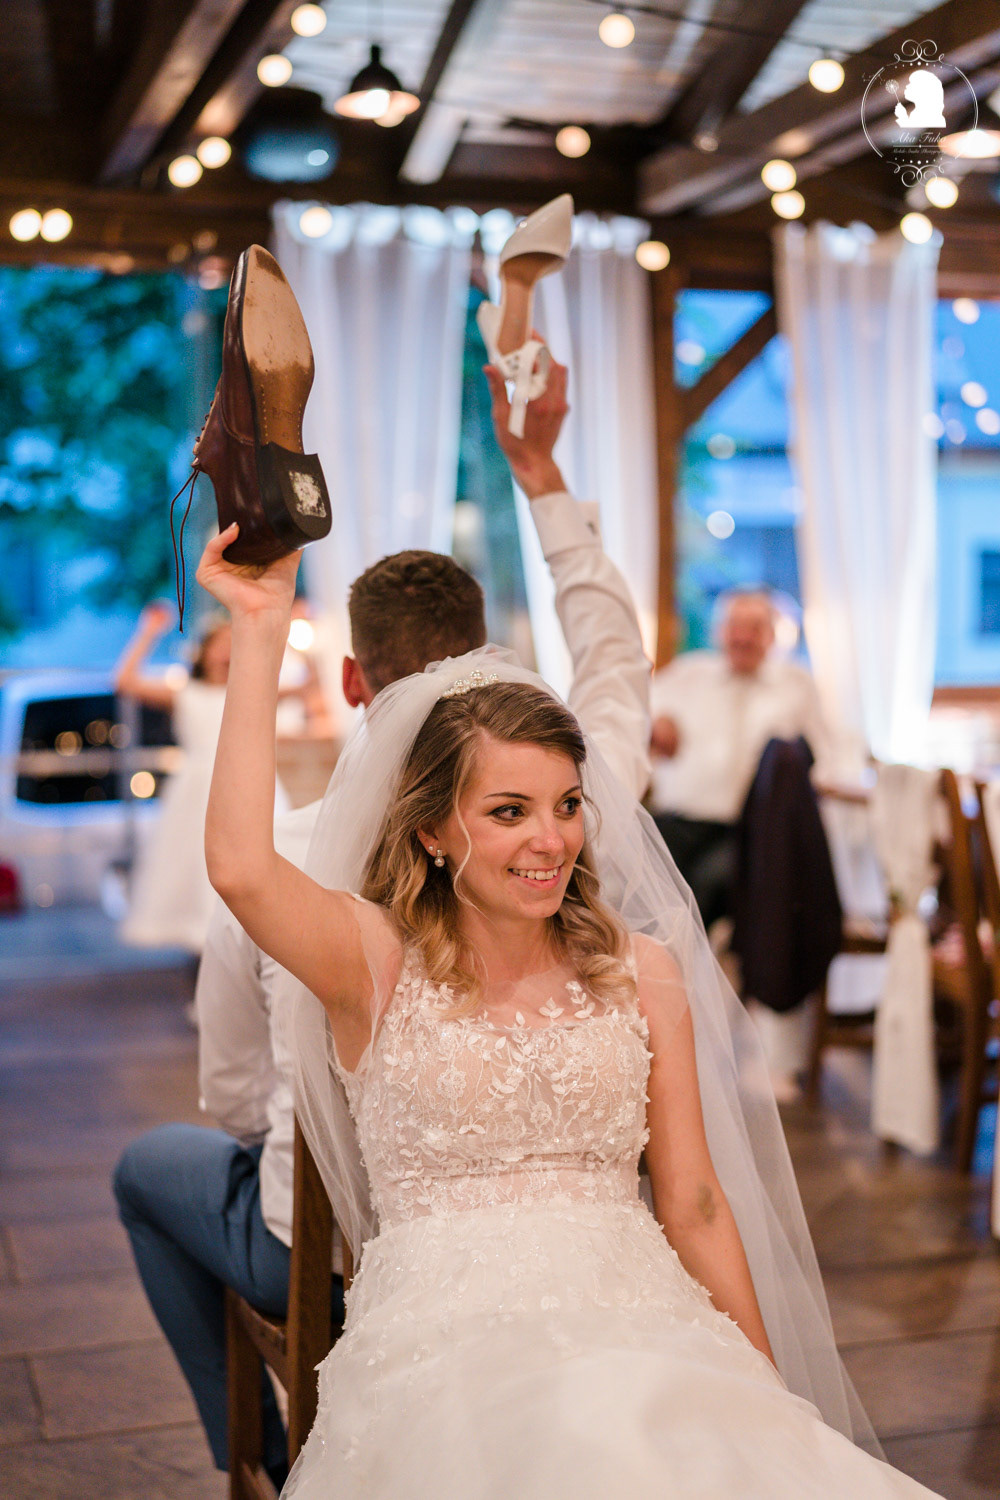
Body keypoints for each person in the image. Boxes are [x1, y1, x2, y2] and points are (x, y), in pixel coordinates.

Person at [194, 502, 939, 1495]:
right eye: (508, 812)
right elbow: (241, 871)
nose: (550, 841)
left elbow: (694, 1203)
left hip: (644, 1330)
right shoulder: (369, 959)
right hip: (447, 1354)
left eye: (567, 805)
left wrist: (771, 1400)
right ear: (430, 831)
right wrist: (258, 629)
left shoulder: (640, 970)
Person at [113, 359, 653, 1489]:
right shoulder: (579, 808)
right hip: (593, 1259)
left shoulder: (295, 863)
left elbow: (232, 1093)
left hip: (333, 1264)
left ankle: (255, 1455)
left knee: (151, 1167)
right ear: (490, 654)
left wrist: (259, 622)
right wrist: (540, 474)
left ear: (356, 682)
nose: (542, 832)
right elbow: (613, 662)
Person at [648, 588, 830, 930]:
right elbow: (635, 713)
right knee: (640, 876)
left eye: (755, 628)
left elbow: (822, 757)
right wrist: (654, 722)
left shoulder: (796, 686)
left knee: (704, 887)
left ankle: (685, 963)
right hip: (678, 821)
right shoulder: (688, 675)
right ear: (719, 631)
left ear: (773, 635)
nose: (743, 637)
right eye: (735, 626)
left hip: (749, 832)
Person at [114, 603, 232, 954]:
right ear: (204, 651)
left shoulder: (252, 690)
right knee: (193, 867)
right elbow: (125, 682)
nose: (226, 651)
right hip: (196, 790)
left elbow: (306, 691)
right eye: (220, 643)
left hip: (241, 783)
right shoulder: (185, 692)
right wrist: (149, 632)